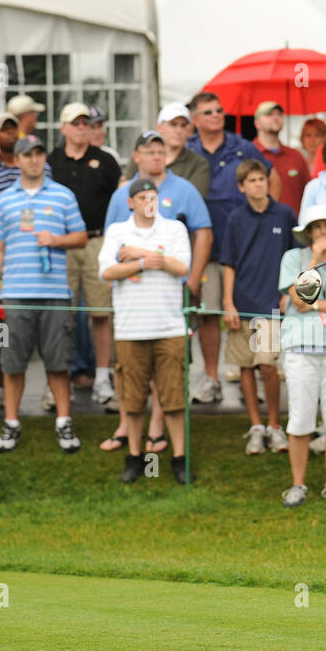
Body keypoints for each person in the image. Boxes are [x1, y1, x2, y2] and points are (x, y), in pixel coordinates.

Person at [101, 130, 213, 453]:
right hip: (131, 302)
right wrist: (138, 259)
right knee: (130, 370)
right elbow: (112, 248)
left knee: (168, 371)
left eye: (161, 151)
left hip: (168, 301)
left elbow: (201, 233)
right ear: (136, 156)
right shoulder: (123, 193)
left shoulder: (184, 190)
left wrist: (190, 279)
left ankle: (158, 429)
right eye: (149, 151)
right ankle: (128, 427)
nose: (156, 156)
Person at [0, 135, 86, 454]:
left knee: (59, 362)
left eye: (39, 154)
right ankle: (11, 423)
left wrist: (56, 240)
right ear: (16, 161)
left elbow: (81, 237)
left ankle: (63, 422)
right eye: (27, 155)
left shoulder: (63, 196)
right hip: (13, 296)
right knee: (11, 362)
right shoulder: (3, 201)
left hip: (55, 294)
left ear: (45, 159)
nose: (33, 159)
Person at [99, 178, 193, 483]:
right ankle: (135, 457)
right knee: (133, 399)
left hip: (169, 326)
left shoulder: (174, 229)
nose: (148, 203)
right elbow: (107, 271)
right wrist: (144, 262)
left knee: (174, 397)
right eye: (142, 198)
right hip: (130, 328)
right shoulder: (117, 231)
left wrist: (139, 254)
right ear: (131, 202)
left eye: (153, 197)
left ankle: (180, 458)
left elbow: (183, 267)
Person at [185, 91, 276, 404]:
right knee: (210, 314)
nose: (216, 115)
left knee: (255, 312)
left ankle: (262, 375)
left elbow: (267, 177)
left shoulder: (243, 145)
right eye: (208, 111)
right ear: (195, 118)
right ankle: (212, 378)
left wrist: (267, 216)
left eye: (220, 110)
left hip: (246, 246)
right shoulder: (188, 149)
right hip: (204, 248)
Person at [278, 205, 326, 506]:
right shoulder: (292, 259)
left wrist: (316, 305)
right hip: (300, 348)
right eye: (318, 226)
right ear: (309, 233)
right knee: (300, 418)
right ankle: (298, 484)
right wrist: (313, 261)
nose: (325, 231)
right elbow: (297, 301)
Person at [49, 102, 122, 409]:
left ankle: (102, 378)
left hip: (97, 241)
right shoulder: (52, 161)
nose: (81, 127)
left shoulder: (105, 161)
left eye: (85, 123)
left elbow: (118, 203)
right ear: (63, 128)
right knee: (60, 314)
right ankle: (57, 379)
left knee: (101, 313)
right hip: (61, 243)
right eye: (75, 123)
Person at [221, 159, 295, 453]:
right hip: (242, 303)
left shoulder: (285, 214)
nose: (258, 185)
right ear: (242, 187)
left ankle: (275, 426)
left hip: (270, 303)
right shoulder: (235, 219)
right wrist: (228, 302)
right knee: (245, 368)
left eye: (261, 179)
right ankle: (256, 427)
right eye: (251, 181)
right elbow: (229, 263)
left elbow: (295, 257)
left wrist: (288, 292)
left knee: (267, 365)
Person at [252, 101, 310, 214]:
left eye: (279, 114)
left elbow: (308, 193)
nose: (275, 118)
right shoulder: (248, 154)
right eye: (269, 115)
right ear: (257, 123)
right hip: (259, 226)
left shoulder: (296, 156)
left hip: (293, 226)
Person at [0, 94, 44, 163]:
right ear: (27, 116)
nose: (36, 118)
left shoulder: (25, 139)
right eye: (35, 113)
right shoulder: (3, 142)